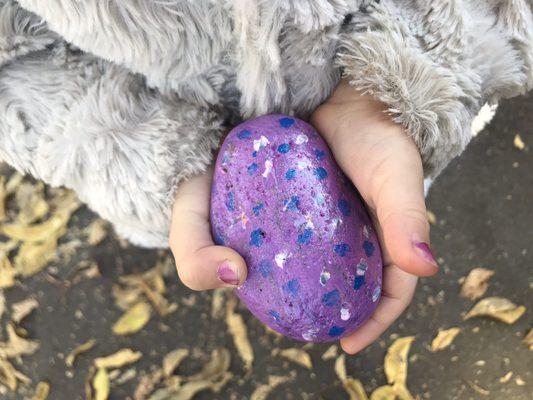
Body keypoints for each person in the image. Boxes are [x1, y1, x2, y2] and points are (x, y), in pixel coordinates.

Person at [0, 1, 531, 354]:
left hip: (380, 122)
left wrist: (405, 81)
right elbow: (14, 66)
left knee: (394, 205)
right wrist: (146, 153)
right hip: (188, 152)